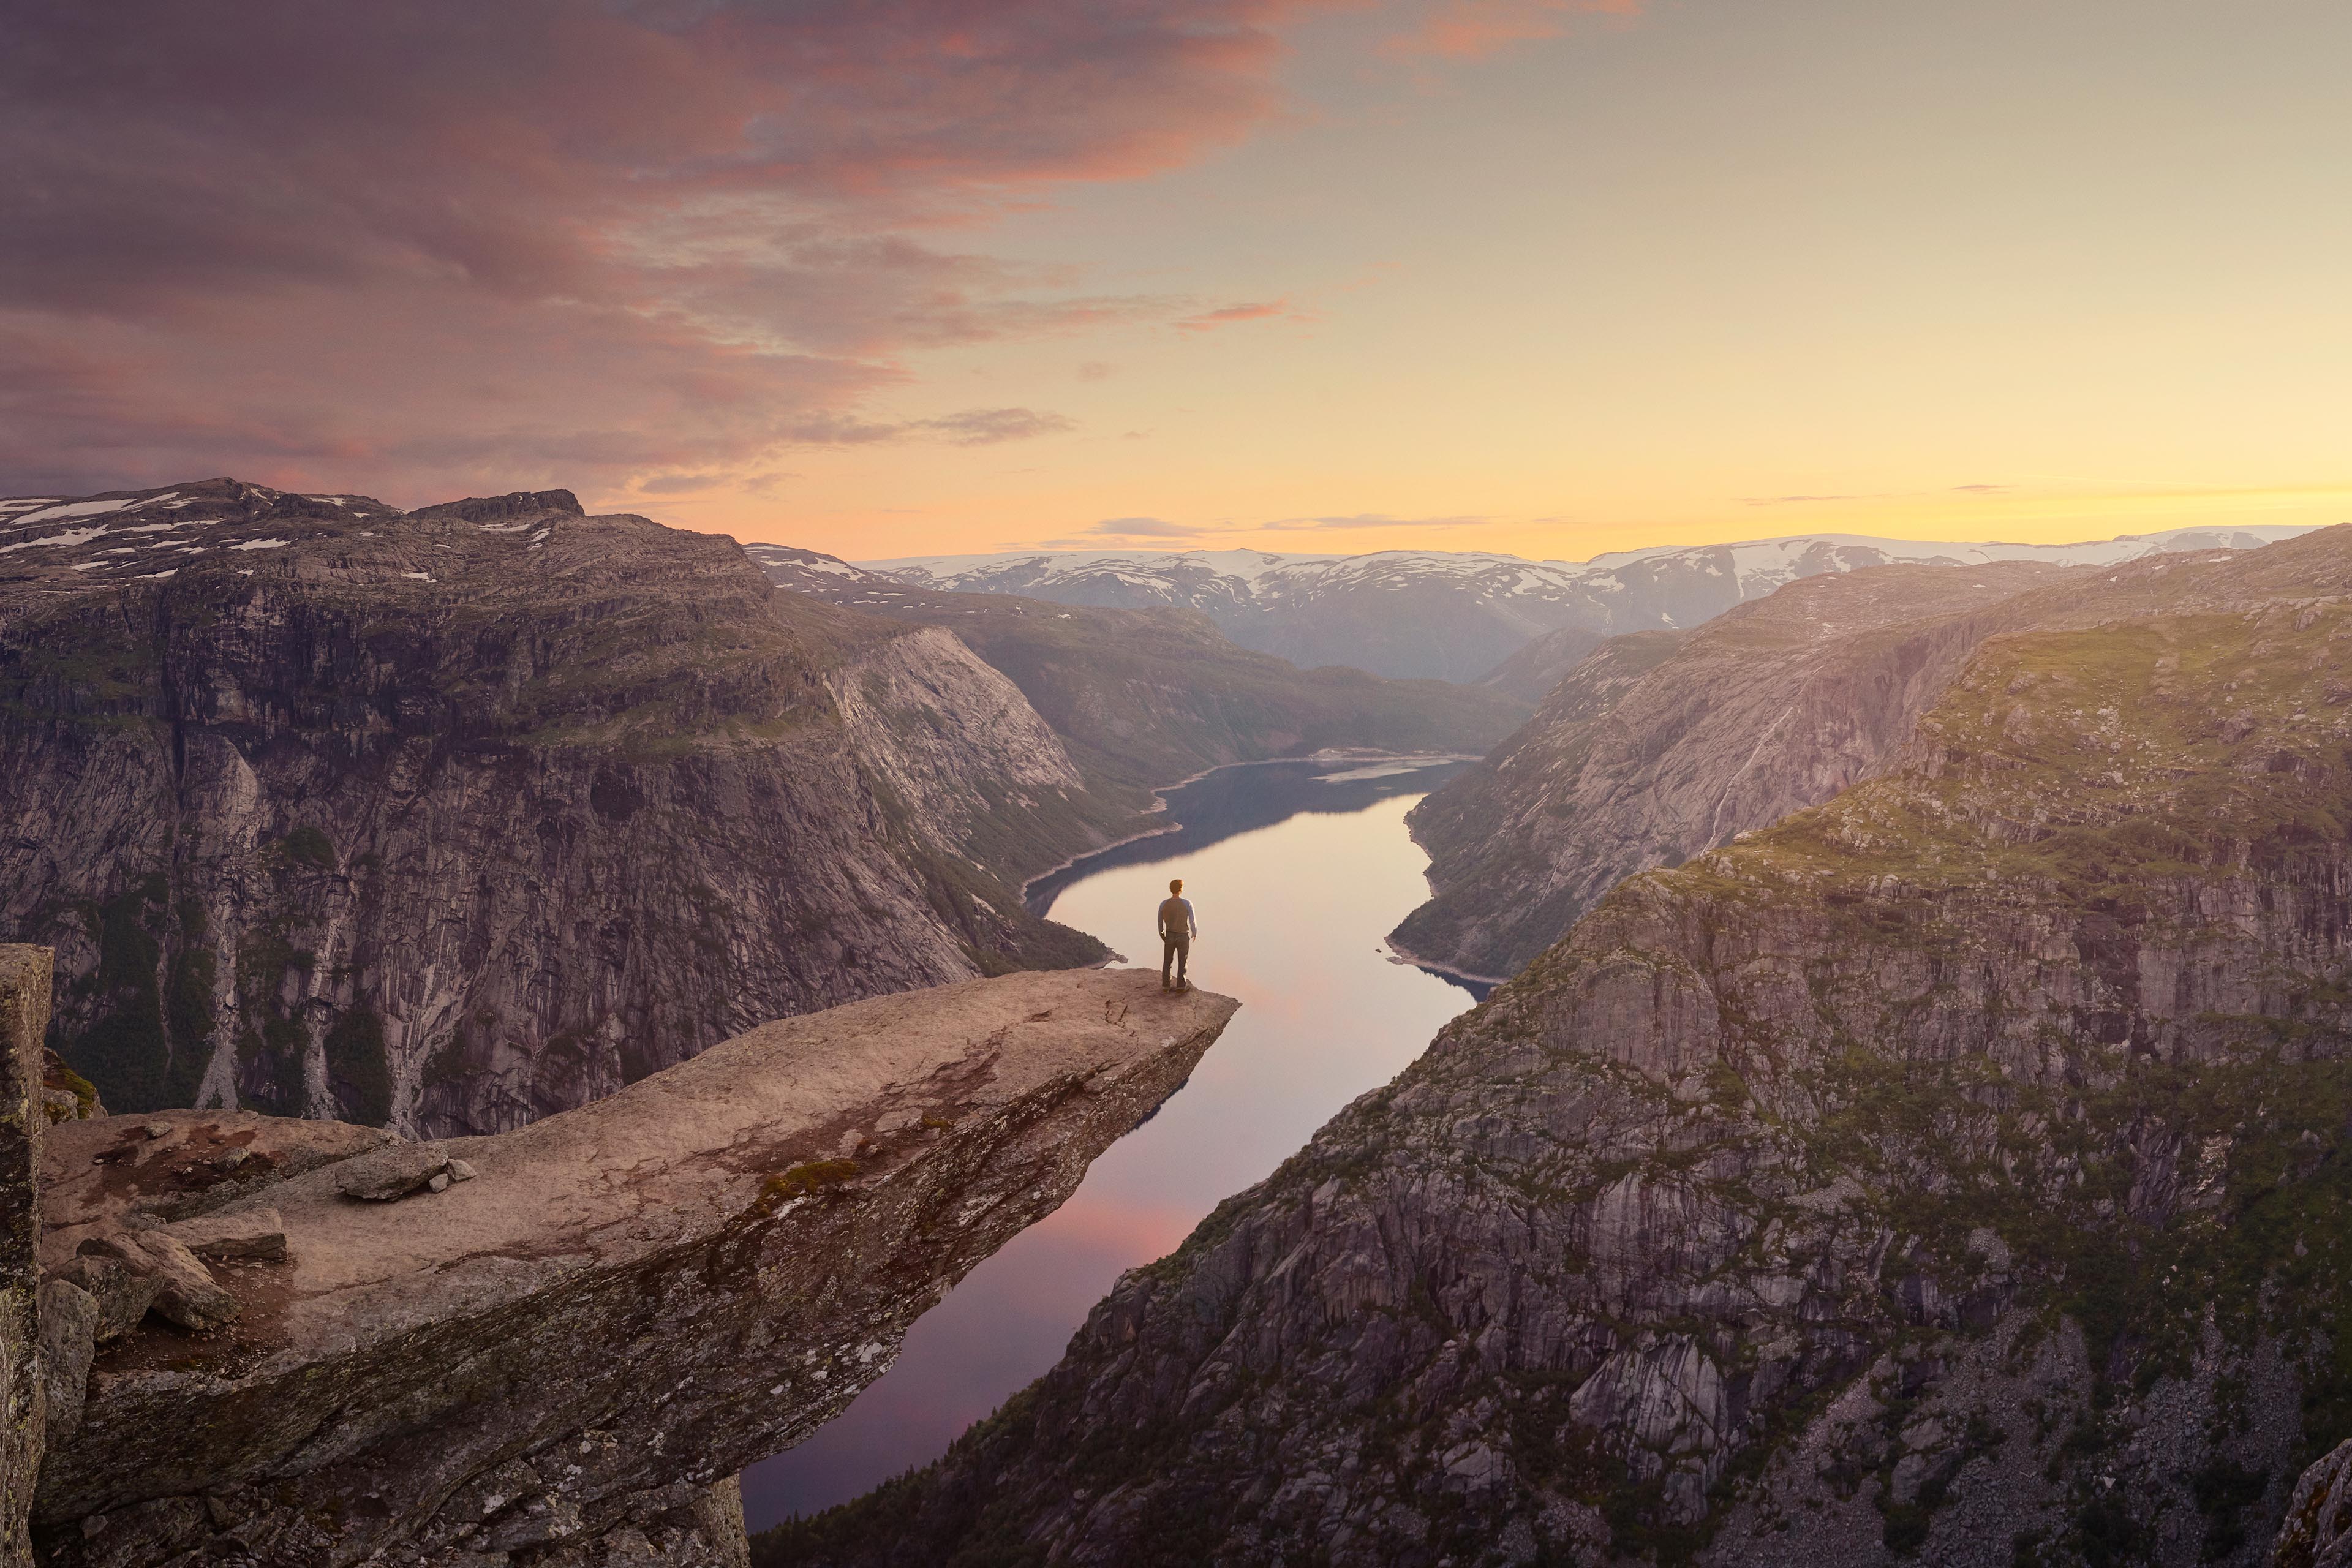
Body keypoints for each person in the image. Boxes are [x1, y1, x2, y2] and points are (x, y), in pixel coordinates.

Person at [1158, 877, 1197, 992]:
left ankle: (1166, 986)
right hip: (1183, 935)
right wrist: (1194, 933)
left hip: (1169, 935)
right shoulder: (1187, 903)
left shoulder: (1164, 904)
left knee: (1167, 961)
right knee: (1183, 961)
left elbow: (1159, 921)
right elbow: (1192, 921)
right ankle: (1181, 986)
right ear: (1180, 889)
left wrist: (1162, 933)